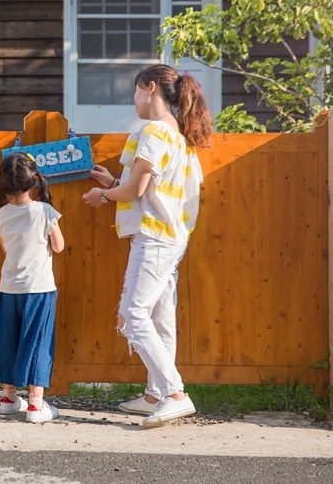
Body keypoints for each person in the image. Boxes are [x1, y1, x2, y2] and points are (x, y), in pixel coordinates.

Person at [83, 64, 213, 429]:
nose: (135, 100)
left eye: (136, 92)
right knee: (159, 317)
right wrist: (113, 180)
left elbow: (136, 191)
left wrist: (104, 195)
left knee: (133, 315)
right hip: (173, 238)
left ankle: (174, 394)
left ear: (151, 88)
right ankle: (156, 395)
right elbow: (151, 189)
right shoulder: (180, 138)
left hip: (154, 237)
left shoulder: (153, 132)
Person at [0, 152, 66, 423]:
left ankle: (8, 398)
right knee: (36, 343)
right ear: (35, 181)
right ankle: (35, 405)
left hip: (9, 288)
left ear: (2, 184)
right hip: (39, 290)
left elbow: (6, 248)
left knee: (9, 340)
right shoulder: (45, 212)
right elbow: (59, 246)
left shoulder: (1, 215)